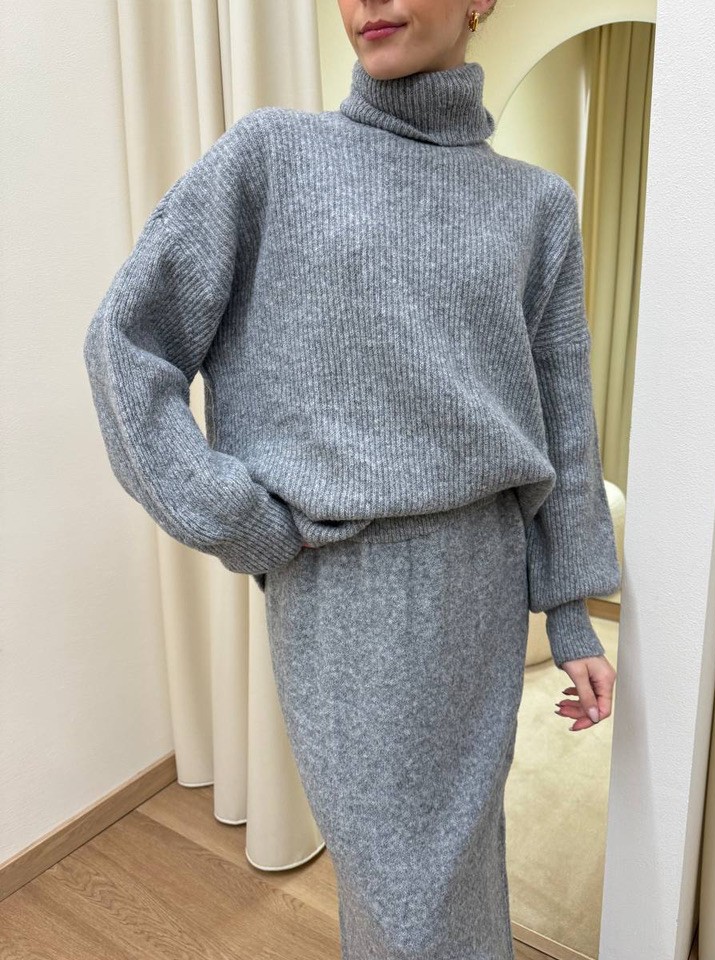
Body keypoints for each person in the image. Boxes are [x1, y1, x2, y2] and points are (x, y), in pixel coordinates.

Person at [83, 1, 622, 957]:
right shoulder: (271, 158)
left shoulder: (538, 205)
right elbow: (126, 346)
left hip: (483, 582)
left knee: (459, 859)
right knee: (403, 896)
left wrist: (571, 611)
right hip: (341, 591)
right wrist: (237, 518)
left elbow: (562, 420)